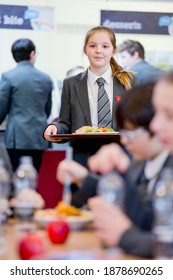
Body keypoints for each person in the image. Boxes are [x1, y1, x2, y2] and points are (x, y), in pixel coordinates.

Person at [57, 81, 173, 257]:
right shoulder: (139, 164)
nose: (125, 141)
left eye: (131, 133)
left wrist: (124, 235)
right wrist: (85, 178)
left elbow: (157, 233)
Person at [43, 26, 137, 171]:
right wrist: (54, 127)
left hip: (119, 159)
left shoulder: (130, 82)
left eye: (105, 46)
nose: (98, 50)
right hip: (82, 161)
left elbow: (136, 123)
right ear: (85, 50)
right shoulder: (71, 84)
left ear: (113, 51)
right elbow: (66, 124)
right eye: (93, 46)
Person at [0, 38, 53, 172]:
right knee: (35, 175)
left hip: (16, 138)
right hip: (39, 137)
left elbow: (2, 108)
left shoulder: (8, 77)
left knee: (16, 176)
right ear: (32, 54)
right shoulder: (45, 79)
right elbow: (47, 110)